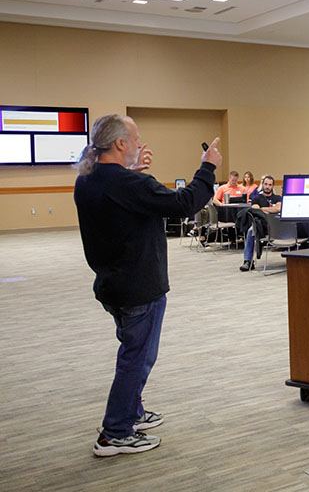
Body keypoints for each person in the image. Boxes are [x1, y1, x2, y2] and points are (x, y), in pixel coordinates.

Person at [74, 114, 221, 456]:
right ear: (121, 143)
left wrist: (133, 174)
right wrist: (208, 168)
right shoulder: (128, 185)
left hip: (113, 283)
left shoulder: (90, 178)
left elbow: (120, 205)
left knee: (135, 352)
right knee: (136, 358)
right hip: (137, 286)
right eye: (136, 138)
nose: (140, 144)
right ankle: (115, 432)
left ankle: (131, 412)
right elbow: (184, 204)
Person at [240, 175, 282, 272]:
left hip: (276, 226)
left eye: (270, 185)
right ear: (262, 185)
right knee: (251, 231)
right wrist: (271, 210)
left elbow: (278, 209)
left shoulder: (277, 198)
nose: (267, 186)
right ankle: (248, 261)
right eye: (266, 184)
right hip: (261, 225)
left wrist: (263, 209)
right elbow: (255, 209)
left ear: (273, 186)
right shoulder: (256, 198)